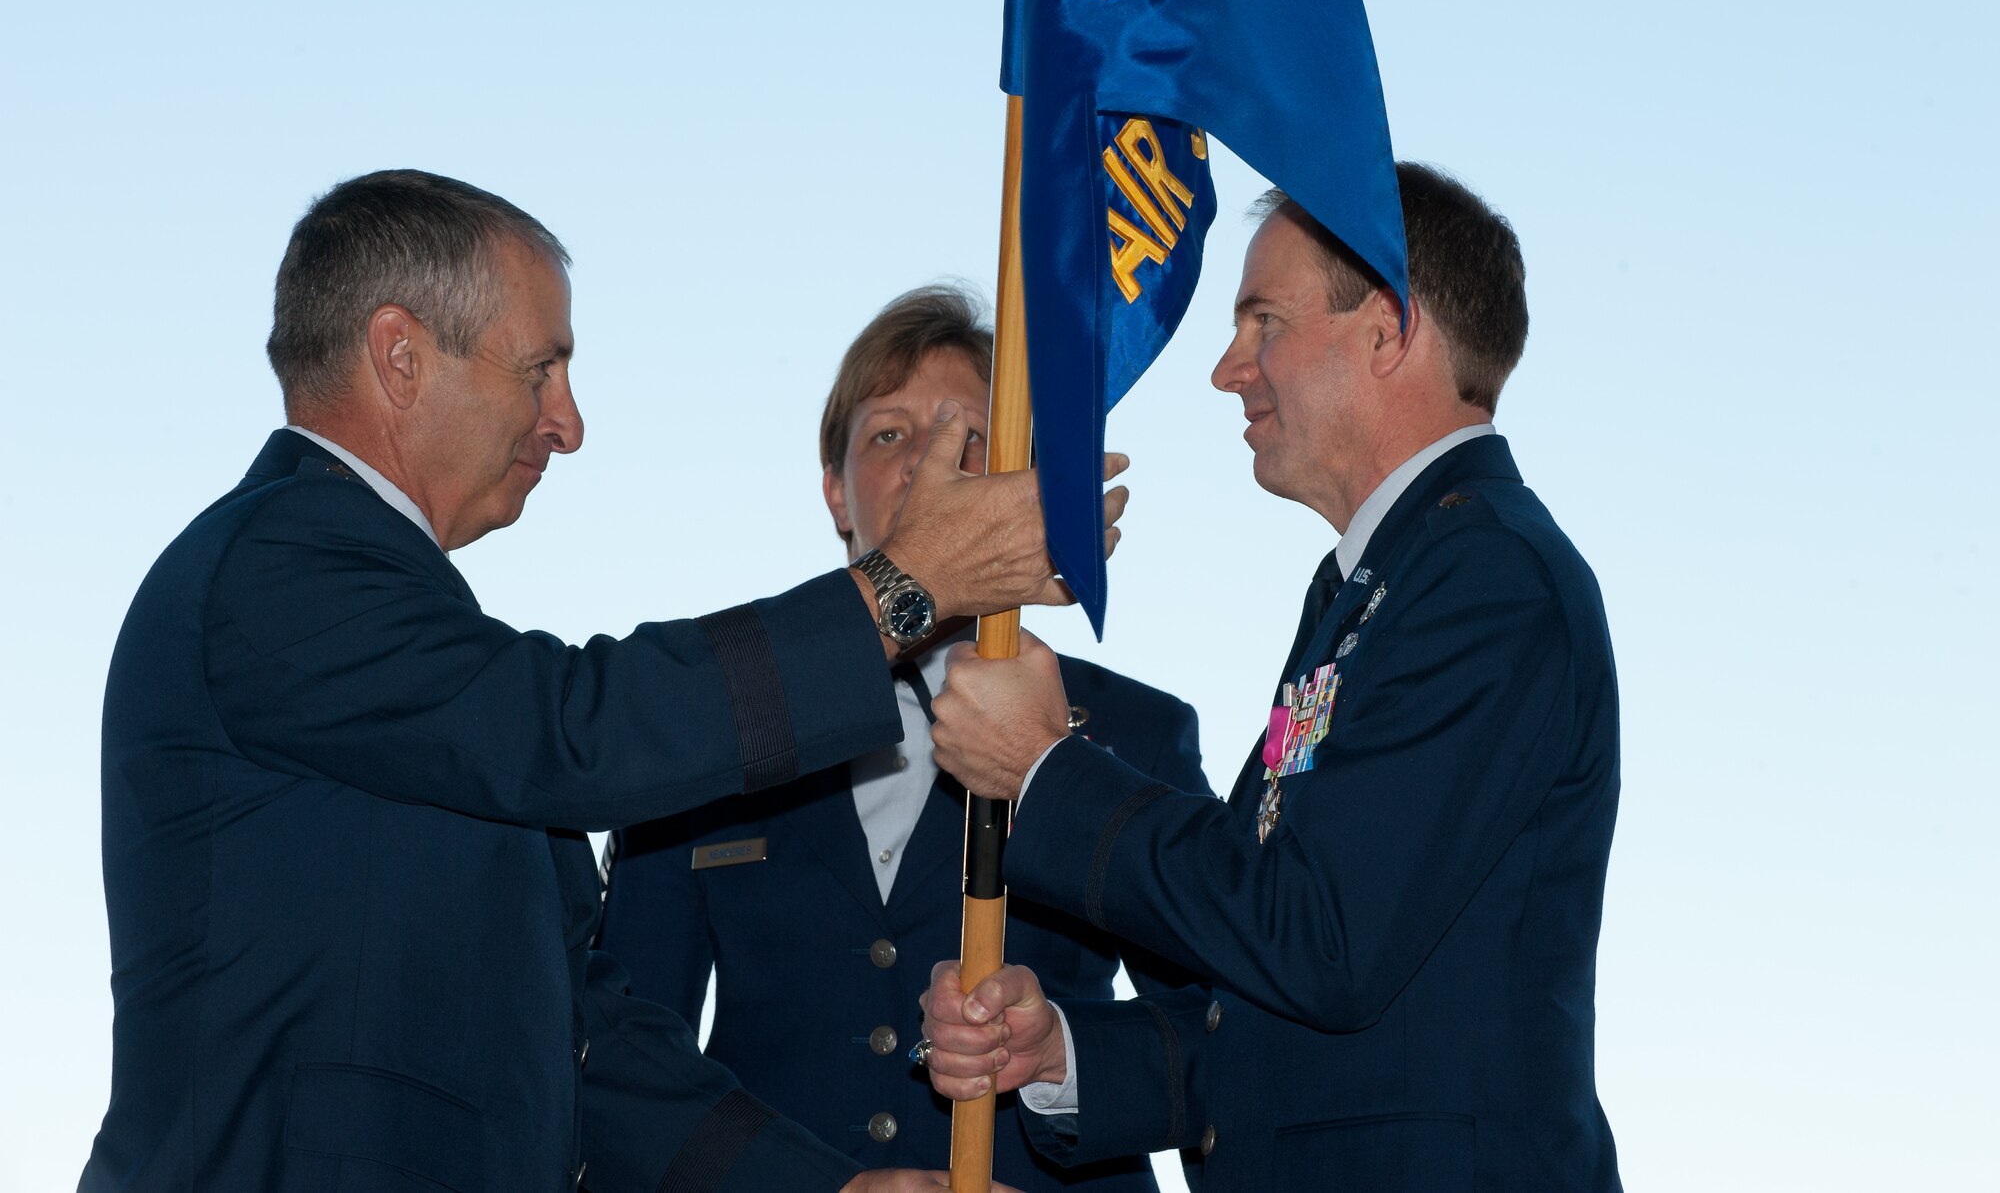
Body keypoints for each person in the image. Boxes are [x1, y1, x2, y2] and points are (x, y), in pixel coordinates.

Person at [81, 170, 1113, 1192]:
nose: (567, 422)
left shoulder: (398, 627)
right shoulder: (277, 565)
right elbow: (580, 728)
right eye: (539, 369)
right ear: (400, 355)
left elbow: (579, 1033)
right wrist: (901, 585)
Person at [918, 165, 1624, 1191]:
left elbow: (1320, 939)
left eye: (1261, 320)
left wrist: (1044, 767)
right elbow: (1274, 993)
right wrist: (1062, 1054)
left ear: (1386, 325)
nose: (1226, 367)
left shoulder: (1485, 578)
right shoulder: (1377, 583)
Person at [595, 286, 1209, 1190]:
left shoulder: (1135, 732)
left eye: (970, 438)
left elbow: (1219, 1038)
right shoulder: (713, 721)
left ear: (1015, 479)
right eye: (889, 434)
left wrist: (1066, 1060)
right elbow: (622, 1058)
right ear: (835, 492)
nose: (929, 464)